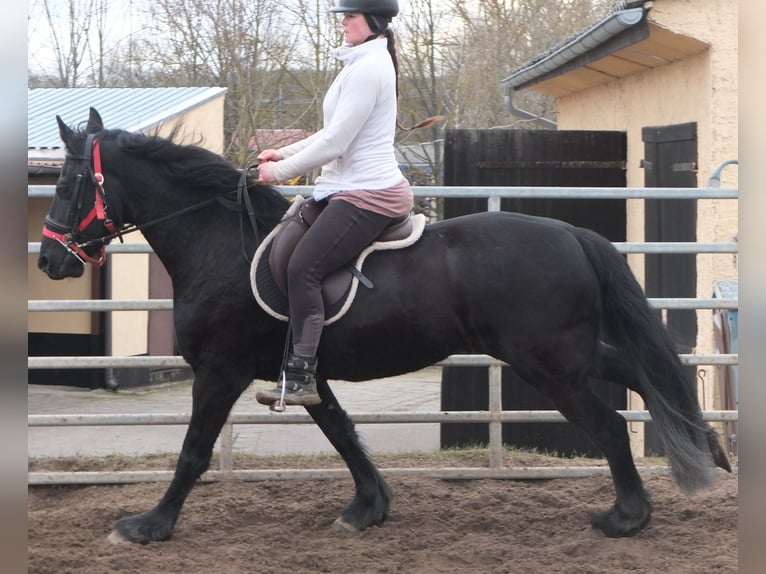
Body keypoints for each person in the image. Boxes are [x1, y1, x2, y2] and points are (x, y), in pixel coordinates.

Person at [254, 0, 411, 407]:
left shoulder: (370, 68)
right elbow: (330, 132)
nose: (342, 21)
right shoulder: (359, 65)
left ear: (373, 21)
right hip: (345, 187)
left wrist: (282, 171)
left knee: (303, 267)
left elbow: (336, 143)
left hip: (369, 193)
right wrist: (282, 153)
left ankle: (303, 372)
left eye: (350, 15)